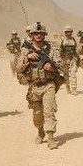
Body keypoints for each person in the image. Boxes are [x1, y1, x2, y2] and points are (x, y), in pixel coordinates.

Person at [16, 22, 63, 150]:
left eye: (41, 33)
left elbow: (61, 67)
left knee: (49, 111)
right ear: (32, 35)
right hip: (34, 86)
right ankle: (40, 130)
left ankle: (51, 137)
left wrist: (52, 68)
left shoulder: (51, 50)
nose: (38, 36)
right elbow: (18, 68)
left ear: (44, 35)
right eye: (36, 33)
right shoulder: (26, 50)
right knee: (37, 115)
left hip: (48, 84)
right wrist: (27, 58)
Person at [59, 25, 79, 95]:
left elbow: (76, 49)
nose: (68, 33)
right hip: (65, 59)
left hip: (73, 58)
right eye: (67, 32)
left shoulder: (73, 39)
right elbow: (60, 50)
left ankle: (73, 89)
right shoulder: (62, 40)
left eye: (69, 32)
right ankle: (68, 88)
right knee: (66, 74)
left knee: (73, 74)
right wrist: (62, 59)